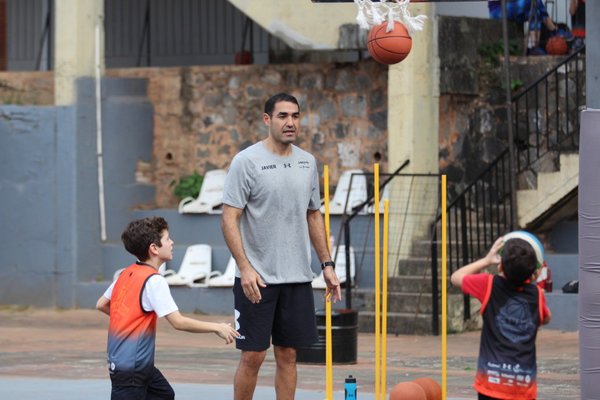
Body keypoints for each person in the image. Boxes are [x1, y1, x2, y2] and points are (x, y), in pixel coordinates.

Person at [221, 92, 342, 400]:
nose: (290, 123)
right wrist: (245, 268)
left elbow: (313, 214)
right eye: (283, 116)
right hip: (257, 280)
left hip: (297, 278)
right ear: (267, 120)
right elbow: (229, 219)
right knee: (253, 356)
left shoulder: (307, 162)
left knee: (288, 354)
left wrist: (327, 265)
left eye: (295, 116)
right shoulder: (246, 162)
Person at [96, 216, 239, 400]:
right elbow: (178, 322)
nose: (171, 242)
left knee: (163, 394)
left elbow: (102, 304)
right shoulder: (154, 281)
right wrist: (217, 327)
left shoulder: (126, 273)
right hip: (132, 369)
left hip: (135, 365)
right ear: (154, 249)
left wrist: (128, 319)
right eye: (167, 239)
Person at [451, 236, 551, 400]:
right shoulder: (537, 296)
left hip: (491, 383)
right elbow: (546, 318)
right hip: (523, 387)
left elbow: (456, 277)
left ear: (500, 266)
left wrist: (486, 260)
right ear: (535, 272)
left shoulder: (488, 285)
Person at [487, 0, 558, 54]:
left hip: (509, 7)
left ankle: (534, 47)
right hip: (498, 9)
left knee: (534, 11)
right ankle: (554, 31)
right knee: (534, 1)